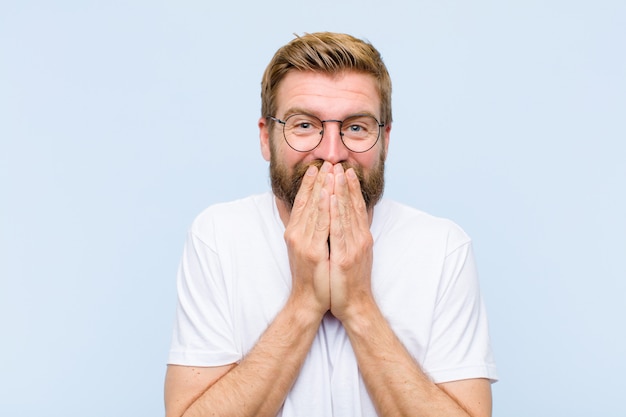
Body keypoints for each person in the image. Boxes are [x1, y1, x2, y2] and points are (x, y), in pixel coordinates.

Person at [164, 32, 497, 417]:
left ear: (385, 140)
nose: (332, 153)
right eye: (304, 125)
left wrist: (358, 304)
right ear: (265, 138)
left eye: (356, 128)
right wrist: (305, 300)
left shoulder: (441, 248)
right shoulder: (219, 237)